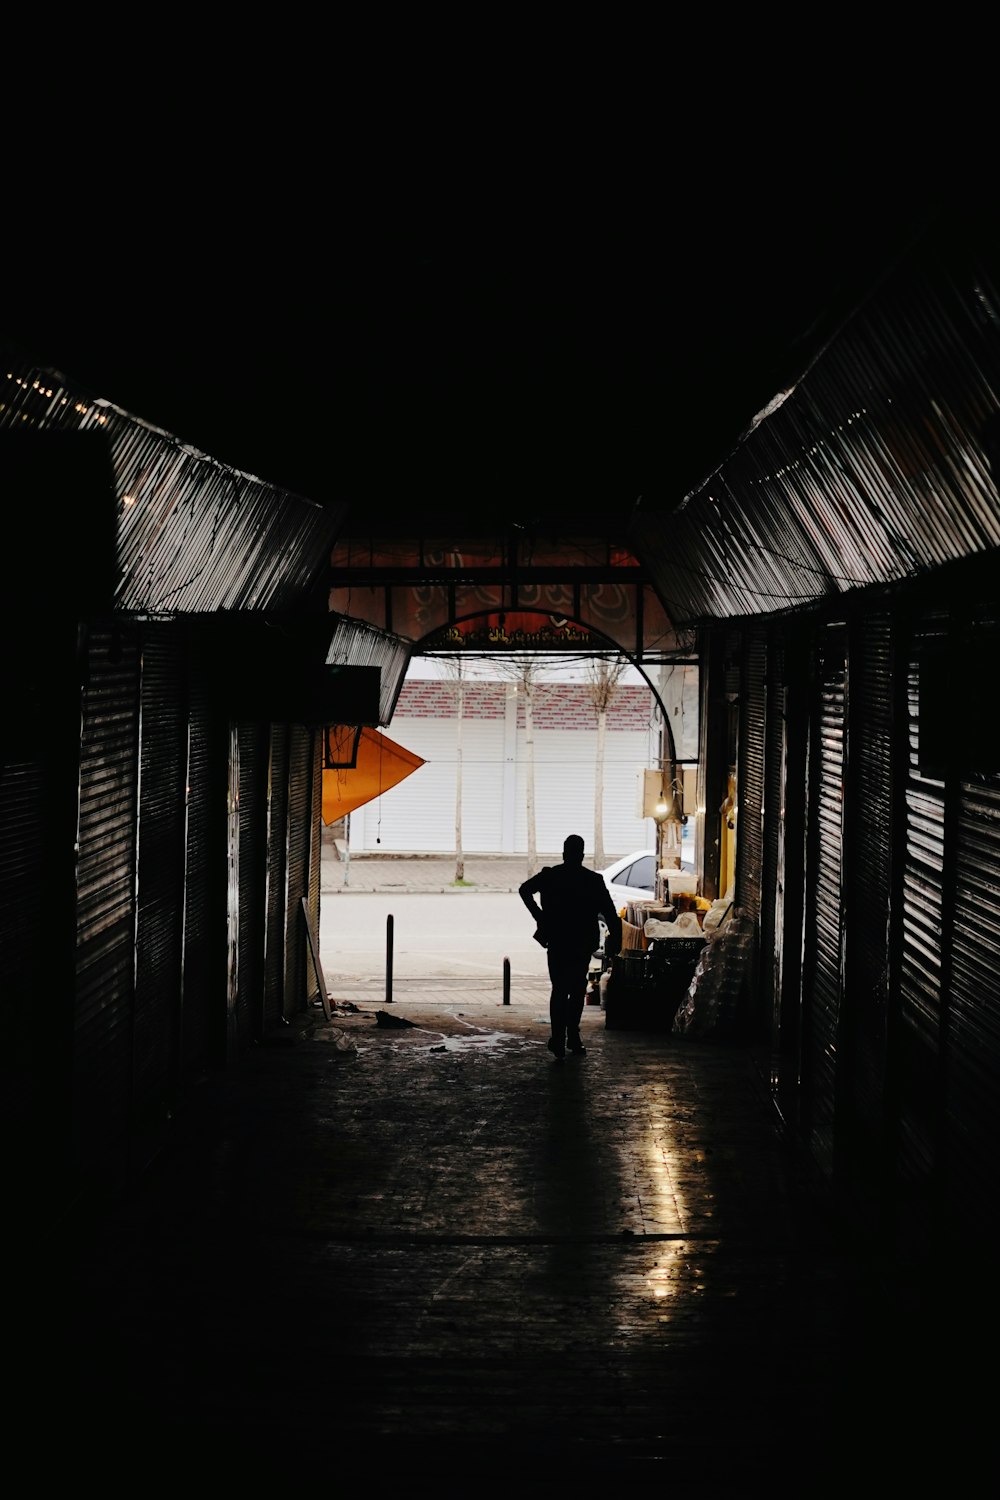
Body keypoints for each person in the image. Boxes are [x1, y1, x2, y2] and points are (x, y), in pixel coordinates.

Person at [519, 834, 623, 1061]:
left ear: (564, 854)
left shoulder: (551, 876)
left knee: (558, 989)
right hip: (582, 943)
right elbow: (611, 914)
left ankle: (557, 1038)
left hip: (557, 941)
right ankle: (573, 1037)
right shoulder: (592, 880)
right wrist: (616, 940)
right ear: (582, 855)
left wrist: (540, 917)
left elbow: (524, 890)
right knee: (576, 989)